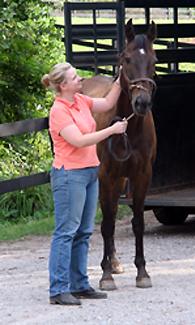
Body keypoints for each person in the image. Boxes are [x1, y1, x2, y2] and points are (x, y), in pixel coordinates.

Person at [41, 62, 128, 306]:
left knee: (84, 232)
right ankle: (58, 289)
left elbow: (109, 103)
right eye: (75, 77)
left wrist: (122, 78)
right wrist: (111, 131)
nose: (80, 79)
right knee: (66, 232)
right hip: (70, 175)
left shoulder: (80, 100)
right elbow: (78, 141)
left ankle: (79, 284)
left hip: (90, 173)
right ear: (63, 85)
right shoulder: (59, 111)